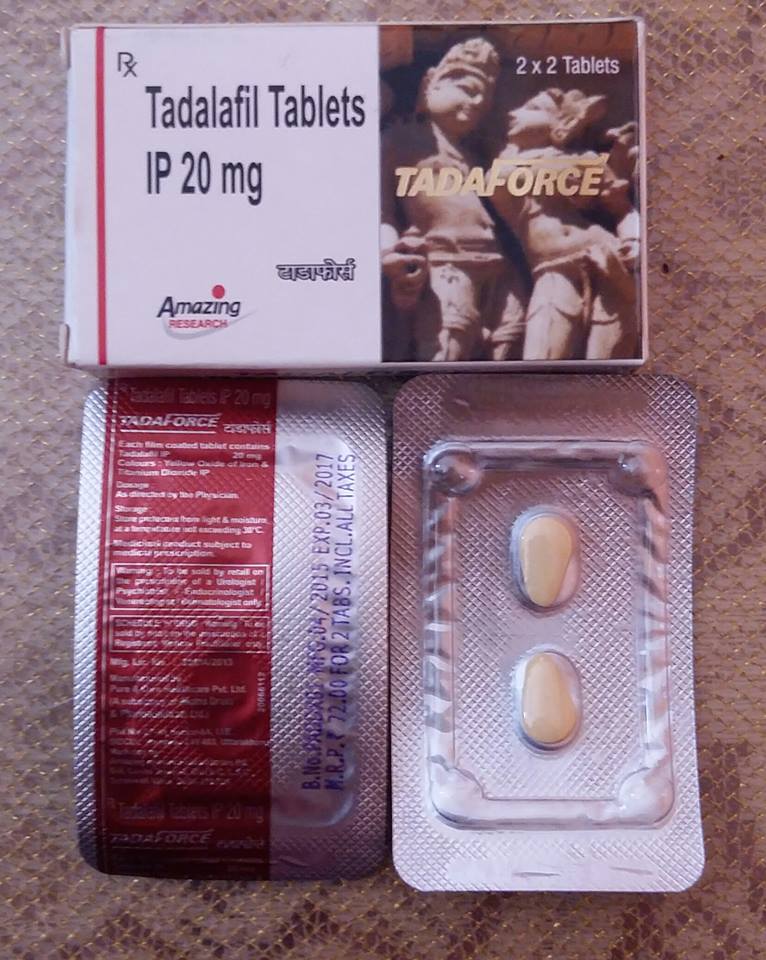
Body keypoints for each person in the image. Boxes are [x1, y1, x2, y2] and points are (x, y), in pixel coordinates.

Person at [381, 38, 526, 361]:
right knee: (448, 347)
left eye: (485, 98)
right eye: (467, 88)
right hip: (446, 262)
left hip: (498, 266)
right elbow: (381, 213)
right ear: (430, 83)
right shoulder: (402, 140)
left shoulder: (474, 156)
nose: (478, 102)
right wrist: (390, 254)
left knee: (511, 342)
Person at [489, 88, 639, 360]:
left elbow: (623, 209)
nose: (512, 113)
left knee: (605, 361)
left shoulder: (585, 161)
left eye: (532, 108)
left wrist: (633, 240)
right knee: (541, 357)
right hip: (552, 270)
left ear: (561, 122)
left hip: (607, 258)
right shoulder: (505, 168)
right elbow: (498, 183)